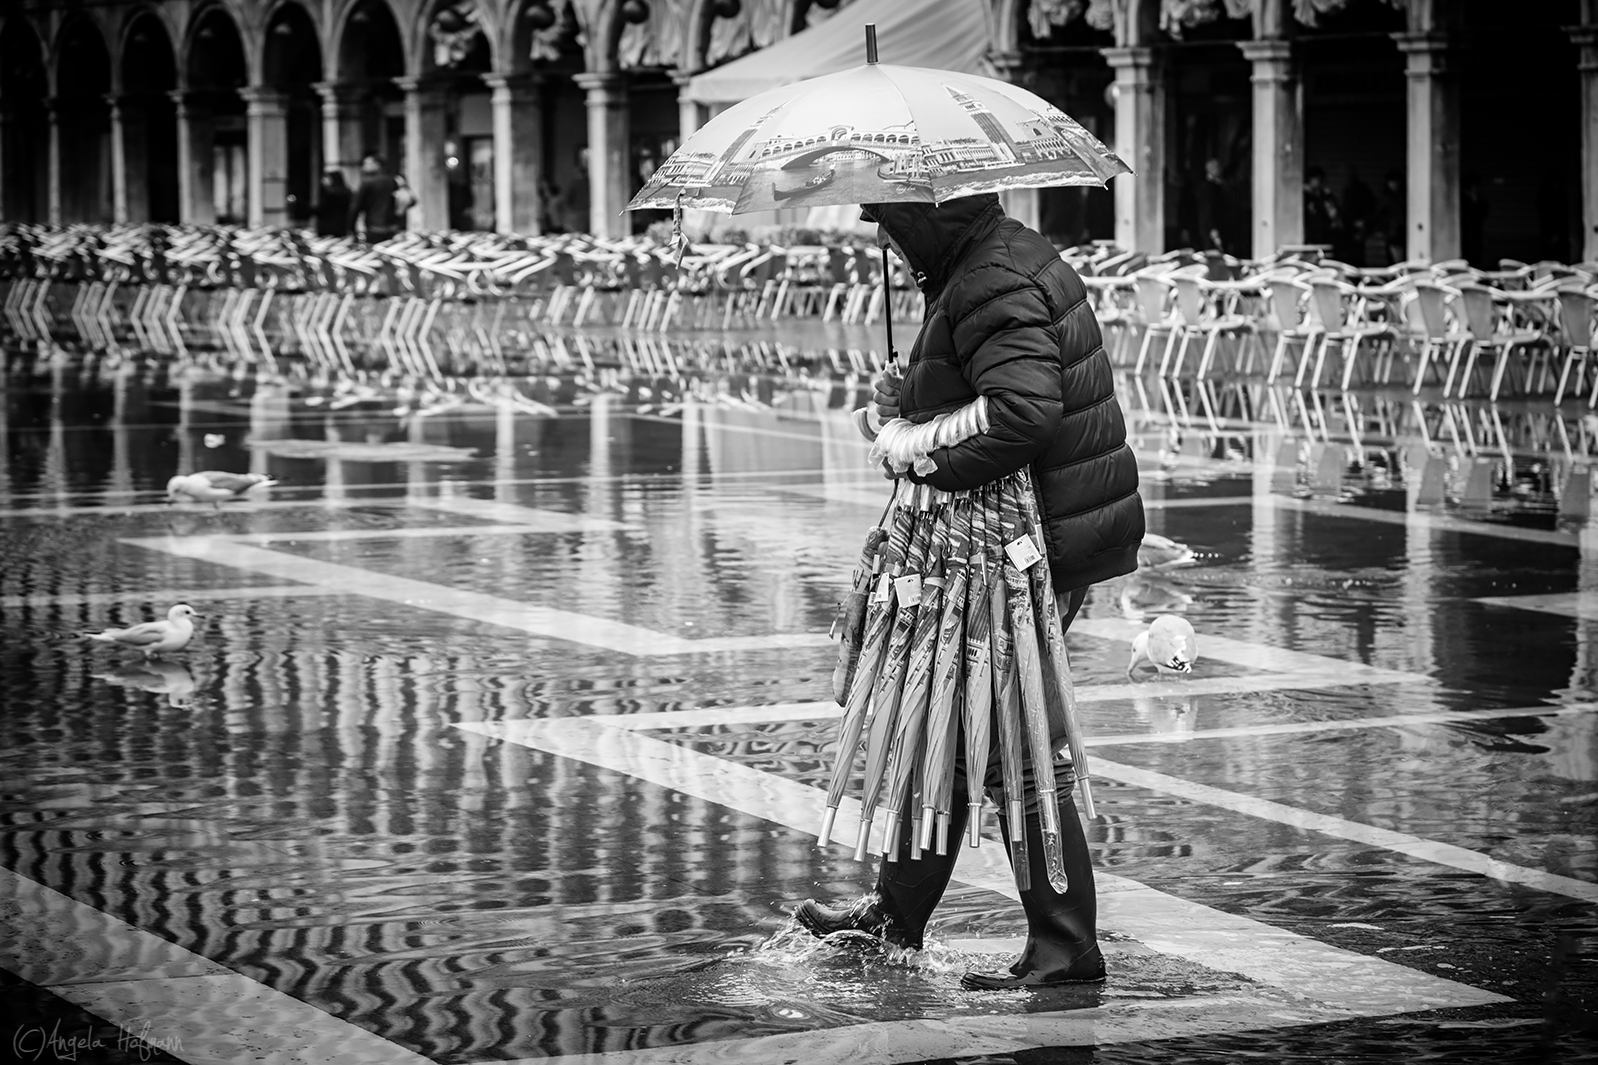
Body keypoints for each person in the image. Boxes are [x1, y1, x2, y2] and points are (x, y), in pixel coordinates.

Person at [792, 193, 1146, 990]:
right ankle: (896, 915)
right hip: (1032, 537)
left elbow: (1021, 412)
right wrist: (910, 401)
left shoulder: (990, 276)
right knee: (944, 734)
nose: (879, 233)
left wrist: (916, 455)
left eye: (885, 218)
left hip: (1021, 551)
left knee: (1014, 744)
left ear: (924, 216)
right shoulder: (985, 263)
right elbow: (982, 391)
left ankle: (1065, 947)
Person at [349, 154, 402, 244]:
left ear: (377, 164)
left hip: (374, 227)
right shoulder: (394, 180)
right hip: (392, 227)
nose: (363, 166)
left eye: (366, 163)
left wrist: (351, 229)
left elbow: (355, 207)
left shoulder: (367, 182)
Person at [1194, 158, 1232, 254]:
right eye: (1217, 168)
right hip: (1211, 229)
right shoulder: (1207, 188)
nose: (1219, 170)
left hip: (1219, 226)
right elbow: (1207, 210)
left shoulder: (1218, 185)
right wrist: (1212, 228)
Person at [1303, 167, 1341, 250]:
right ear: (1310, 178)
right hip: (1309, 235)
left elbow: (1332, 212)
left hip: (1322, 234)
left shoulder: (1323, 195)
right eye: (1316, 178)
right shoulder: (1303, 195)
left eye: (1320, 179)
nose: (1319, 182)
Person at [313, 169, 352, 238]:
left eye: (326, 178)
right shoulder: (347, 193)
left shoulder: (330, 195)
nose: (323, 181)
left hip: (327, 229)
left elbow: (320, 210)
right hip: (342, 228)